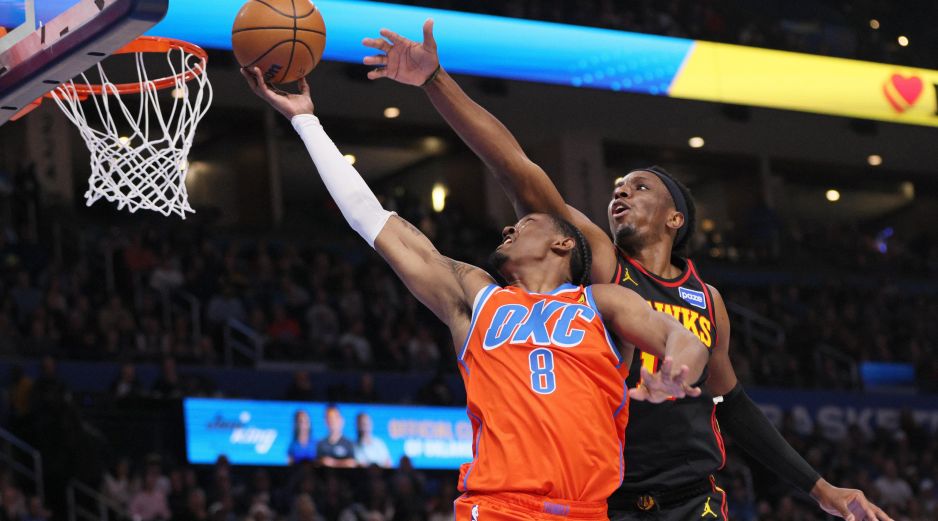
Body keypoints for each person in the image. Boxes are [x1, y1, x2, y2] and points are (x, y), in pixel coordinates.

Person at [361, 20, 893, 521]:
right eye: (618, 187)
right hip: (608, 498)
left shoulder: (707, 299)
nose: (621, 192)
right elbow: (514, 168)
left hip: (692, 497)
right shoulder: (602, 265)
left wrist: (822, 489)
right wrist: (435, 81)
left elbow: (731, 404)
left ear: (675, 218)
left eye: (640, 188)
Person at [242, 66, 710, 520]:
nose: (509, 227)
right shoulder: (476, 296)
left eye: (526, 223)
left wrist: (676, 372)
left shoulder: (604, 302)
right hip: (497, 506)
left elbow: (682, 337)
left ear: (563, 243)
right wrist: (306, 122)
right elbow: (372, 219)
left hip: (586, 511)